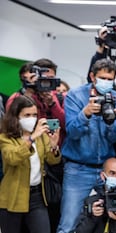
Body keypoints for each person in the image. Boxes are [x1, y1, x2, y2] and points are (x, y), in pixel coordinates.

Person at [57, 59, 116, 233]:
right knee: (68, 223)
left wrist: (110, 121)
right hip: (78, 169)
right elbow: (72, 132)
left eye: (110, 79)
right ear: (92, 77)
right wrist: (85, 113)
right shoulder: (75, 96)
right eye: (103, 78)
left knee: (105, 220)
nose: (107, 82)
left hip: (106, 171)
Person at [0, 95, 61, 233]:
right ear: (16, 116)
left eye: (34, 114)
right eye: (27, 115)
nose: (32, 118)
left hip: (38, 195)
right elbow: (13, 158)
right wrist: (31, 138)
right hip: (13, 196)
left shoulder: (41, 135)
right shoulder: (5, 137)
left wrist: (53, 147)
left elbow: (52, 160)